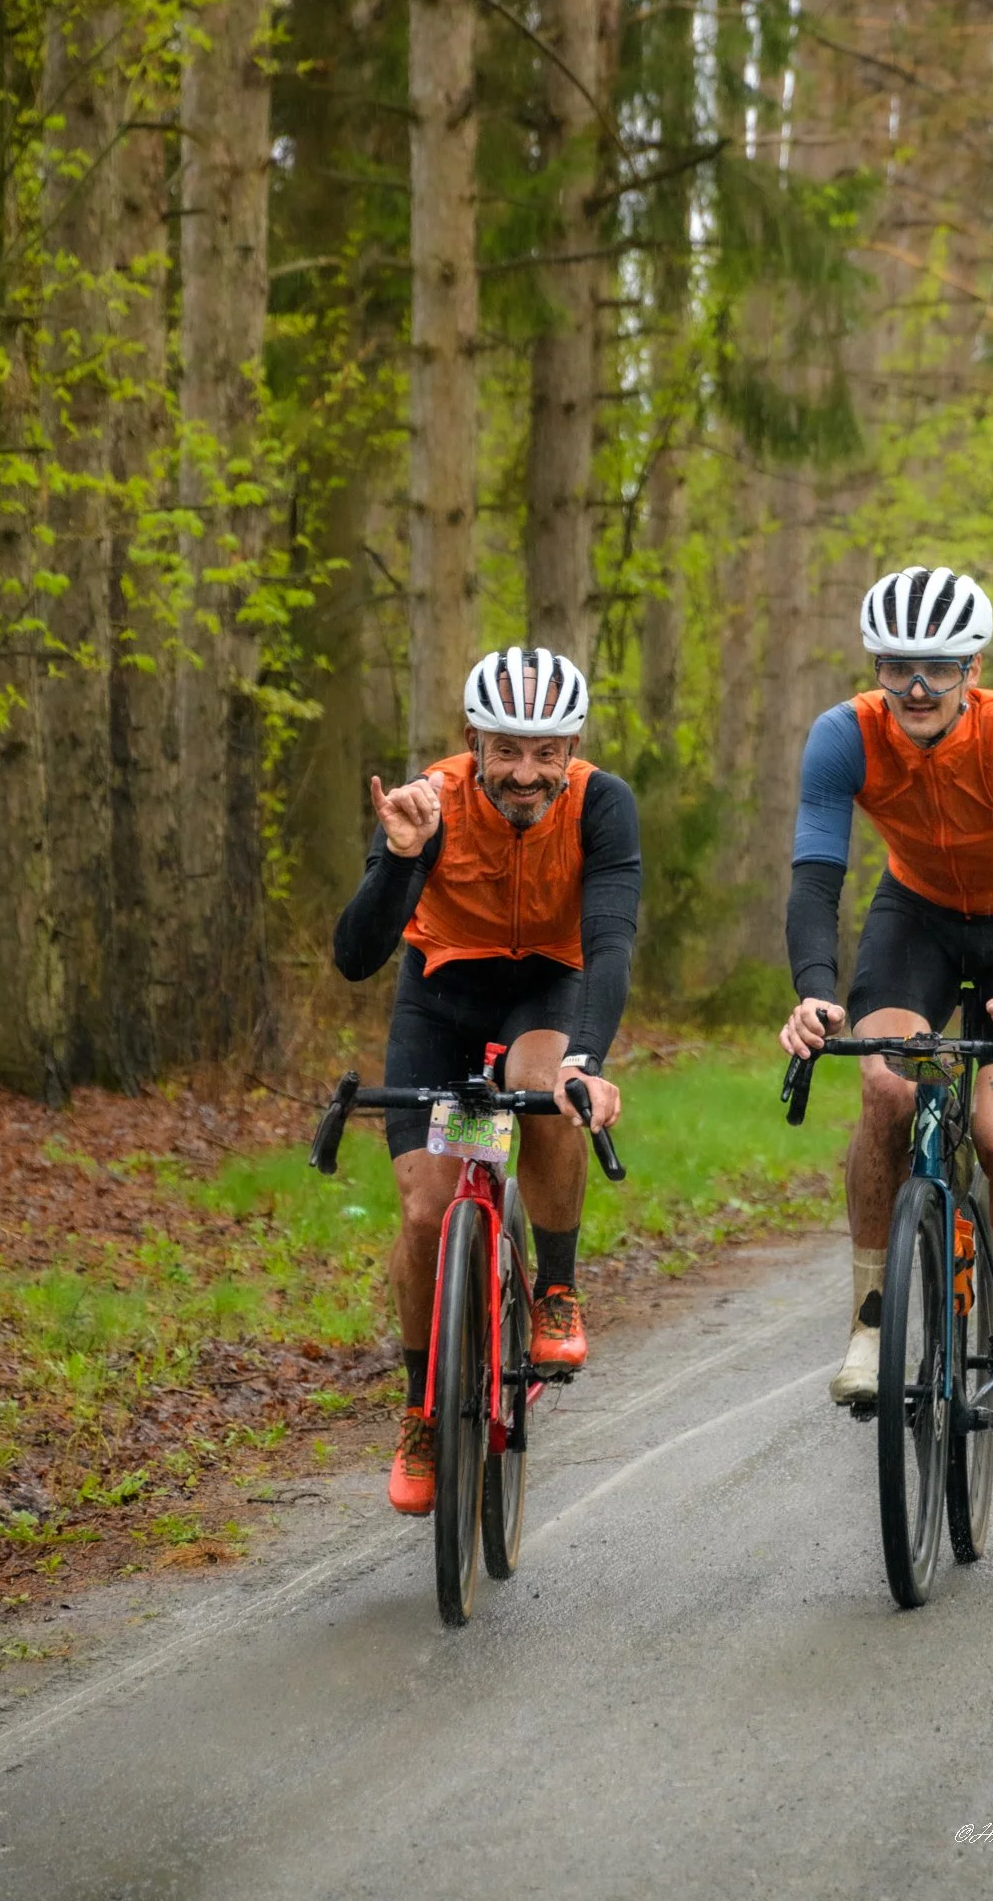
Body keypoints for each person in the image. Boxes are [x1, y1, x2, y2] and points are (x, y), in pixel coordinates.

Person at [779, 567, 993, 1447]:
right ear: (875, 666)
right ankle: (871, 1320)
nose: (916, 687)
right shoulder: (843, 735)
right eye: (896, 666)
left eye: (938, 667)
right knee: (884, 1088)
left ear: (972, 667)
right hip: (914, 918)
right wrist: (811, 987)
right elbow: (816, 877)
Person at [334, 647, 641, 1513]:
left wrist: (587, 1060)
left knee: (546, 1089)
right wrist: (400, 857)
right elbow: (357, 958)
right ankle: (419, 1410)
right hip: (442, 995)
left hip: (550, 986)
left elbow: (611, 938)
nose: (526, 772)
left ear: (572, 744)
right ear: (473, 739)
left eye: (548, 751)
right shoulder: (430, 801)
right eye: (506, 749)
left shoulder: (601, 805)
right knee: (426, 1213)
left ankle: (553, 1289)